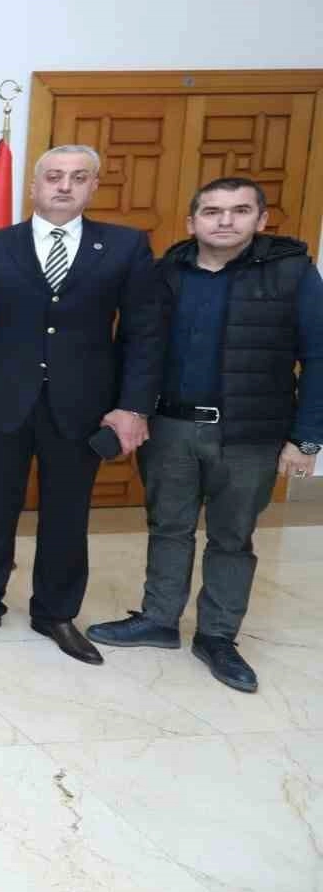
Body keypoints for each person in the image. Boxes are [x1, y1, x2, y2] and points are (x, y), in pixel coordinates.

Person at [88, 177, 323, 692]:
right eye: (212, 211)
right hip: (170, 427)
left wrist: (307, 438)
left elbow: (319, 356)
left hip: (250, 434)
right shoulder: (164, 273)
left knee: (232, 538)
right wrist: (129, 410)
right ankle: (158, 619)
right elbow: (134, 347)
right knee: (167, 527)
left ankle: (218, 636)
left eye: (239, 210)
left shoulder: (292, 273)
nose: (225, 221)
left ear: (261, 220)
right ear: (192, 221)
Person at [0, 144, 162, 665]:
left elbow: (144, 332)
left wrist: (133, 406)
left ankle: (56, 612)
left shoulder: (126, 246)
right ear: (34, 187)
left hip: (83, 405)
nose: (64, 186)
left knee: (68, 512)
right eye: (54, 176)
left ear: (94, 186)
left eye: (78, 177)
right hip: (4, 400)